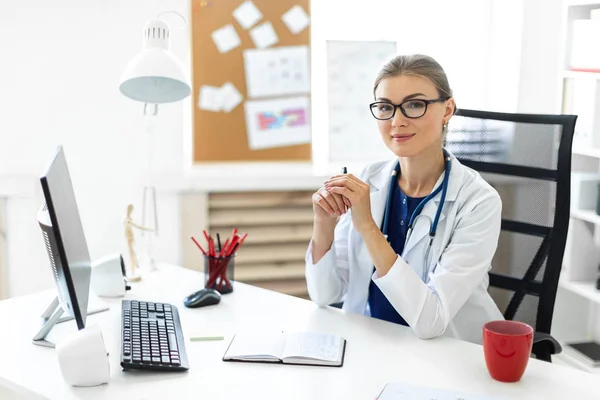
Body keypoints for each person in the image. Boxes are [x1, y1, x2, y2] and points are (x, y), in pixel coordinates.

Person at [305, 54, 504, 344]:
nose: (397, 121)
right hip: (375, 343)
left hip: (449, 354)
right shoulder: (367, 180)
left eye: (414, 105)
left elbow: (431, 321)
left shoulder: (478, 201)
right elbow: (325, 295)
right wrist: (323, 224)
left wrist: (368, 227)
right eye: (386, 107)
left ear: (447, 109)